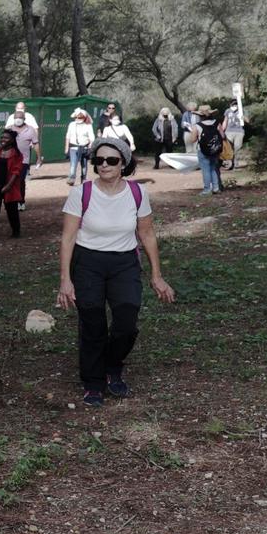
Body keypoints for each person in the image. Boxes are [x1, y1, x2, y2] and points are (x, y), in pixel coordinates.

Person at [56, 135, 175, 408]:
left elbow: (146, 234)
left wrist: (157, 275)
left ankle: (113, 365)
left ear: (124, 163)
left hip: (124, 262)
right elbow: (67, 238)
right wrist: (65, 280)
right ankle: (93, 382)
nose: (105, 165)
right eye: (99, 160)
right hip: (88, 263)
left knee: (126, 319)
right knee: (92, 322)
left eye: (111, 160)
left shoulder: (137, 193)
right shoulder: (81, 193)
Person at [195, 105, 226, 194]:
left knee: (205, 170)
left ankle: (207, 189)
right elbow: (222, 136)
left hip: (202, 150)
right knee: (213, 168)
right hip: (215, 149)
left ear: (200, 116)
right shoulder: (217, 123)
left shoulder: (197, 125)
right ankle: (216, 188)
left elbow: (193, 139)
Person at [63, 108, 96, 187]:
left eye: (80, 117)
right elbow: (68, 136)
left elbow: (92, 137)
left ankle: (84, 178)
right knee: (73, 164)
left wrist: (90, 145)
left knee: (84, 164)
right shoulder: (71, 124)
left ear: (84, 118)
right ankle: (72, 178)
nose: (78, 119)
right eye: (77, 117)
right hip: (73, 147)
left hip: (84, 148)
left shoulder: (88, 125)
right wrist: (66, 148)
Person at [224, 102, 246, 170]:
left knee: (237, 148)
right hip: (229, 131)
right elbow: (225, 121)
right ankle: (230, 163)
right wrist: (222, 130)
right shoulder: (228, 111)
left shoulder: (242, 111)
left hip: (239, 131)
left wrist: (243, 117)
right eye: (232, 104)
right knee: (229, 148)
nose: (234, 106)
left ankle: (235, 163)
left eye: (235, 104)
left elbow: (248, 120)